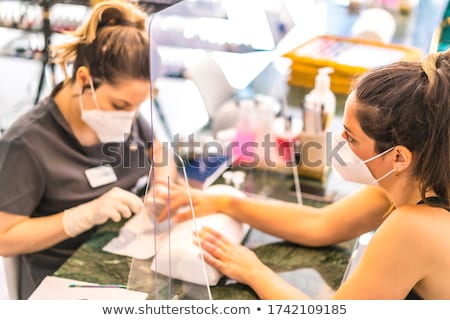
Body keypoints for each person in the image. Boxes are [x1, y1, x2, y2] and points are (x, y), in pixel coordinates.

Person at [158, 49, 450, 299]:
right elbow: (320, 224)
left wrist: (253, 270)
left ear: (398, 157)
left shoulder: (413, 227)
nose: (339, 144)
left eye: (350, 137)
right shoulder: (414, 180)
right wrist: (227, 203)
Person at [0, 0, 171, 299]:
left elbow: (160, 154)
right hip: (63, 281)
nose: (131, 117)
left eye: (138, 106)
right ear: (83, 79)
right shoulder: (26, 145)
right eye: (121, 105)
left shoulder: (123, 116)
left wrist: (165, 186)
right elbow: (4, 238)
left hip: (124, 255)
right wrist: (81, 216)